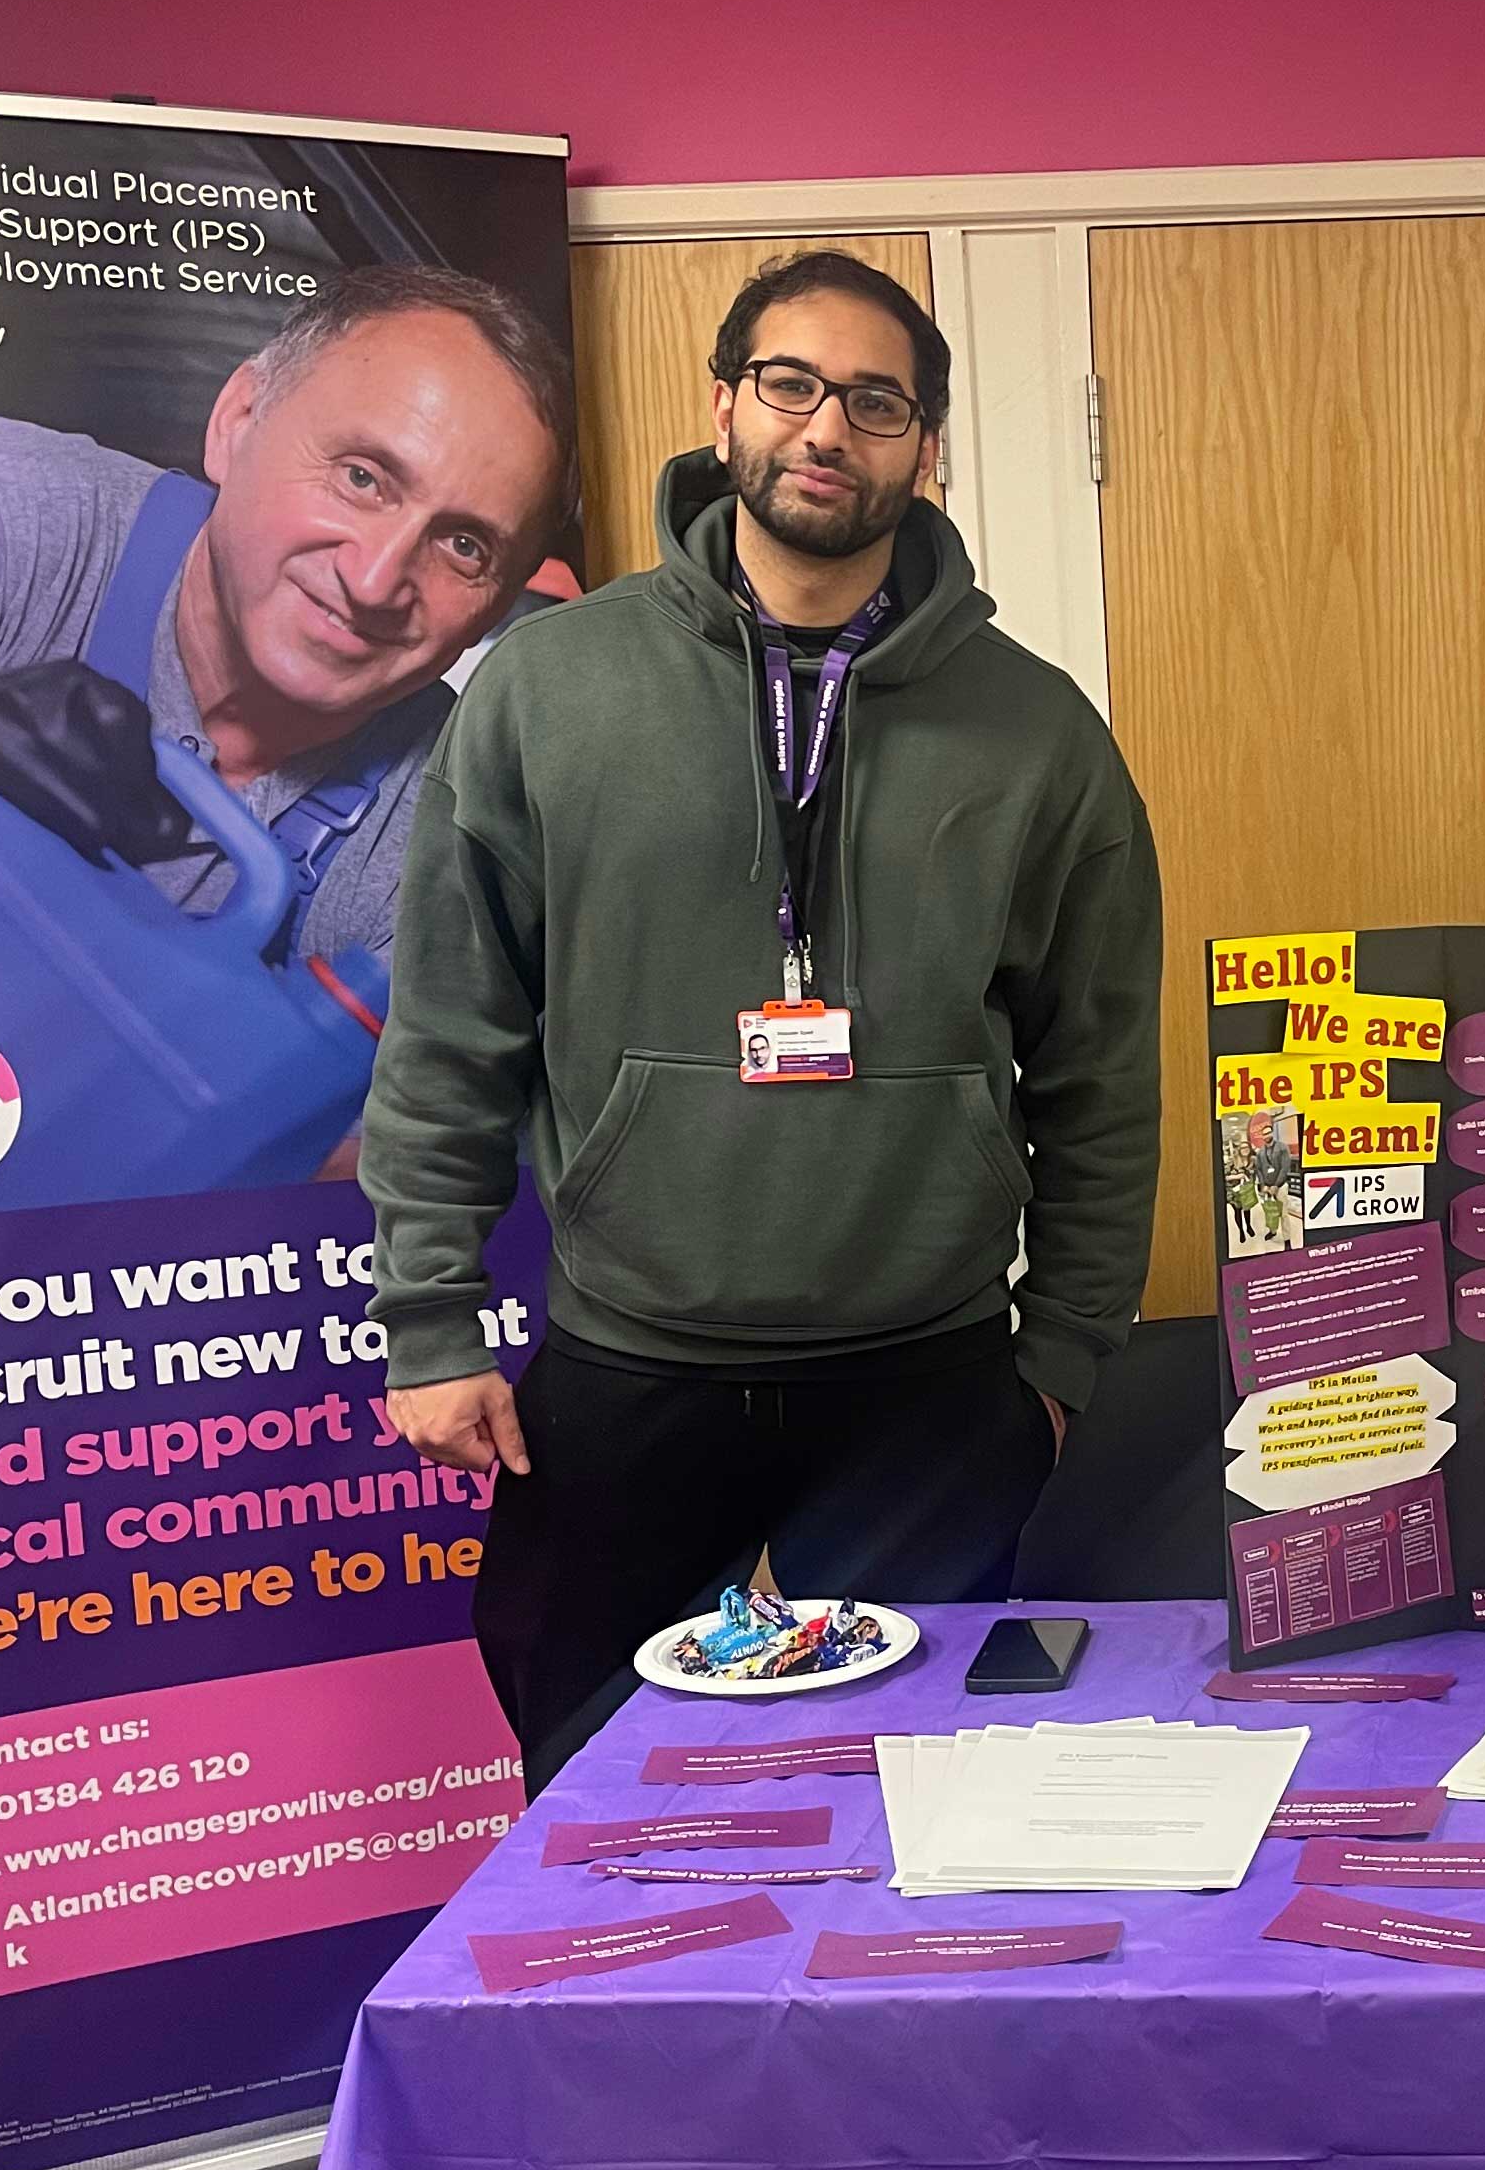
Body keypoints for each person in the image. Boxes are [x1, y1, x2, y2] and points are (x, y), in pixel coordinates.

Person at [362, 251, 1162, 1790]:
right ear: (721, 405)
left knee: (905, 1810)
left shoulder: (1038, 733)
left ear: (927, 447)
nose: (827, 429)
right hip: (625, 1367)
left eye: (877, 403)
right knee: (592, 1798)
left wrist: (1060, 1355)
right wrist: (431, 1319)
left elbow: (1098, 1075)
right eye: (791, 384)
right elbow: (455, 1028)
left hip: (929, 1391)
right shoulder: (547, 689)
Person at [0, 262, 578, 966]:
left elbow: (382, 1158)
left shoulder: (462, 837)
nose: (376, 578)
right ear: (237, 424)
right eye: (361, 478)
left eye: (464, 546)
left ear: (495, 607)